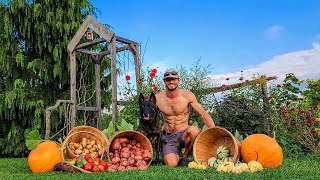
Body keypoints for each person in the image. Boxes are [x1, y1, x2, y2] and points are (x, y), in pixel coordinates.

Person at [155, 68, 215, 167]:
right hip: (169, 136)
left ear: (178, 80)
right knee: (171, 164)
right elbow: (148, 116)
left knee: (194, 130)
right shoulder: (158, 98)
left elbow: (203, 114)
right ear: (164, 81)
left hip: (184, 134)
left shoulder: (187, 96)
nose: (171, 82)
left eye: (173, 79)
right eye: (168, 80)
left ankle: (185, 156)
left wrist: (214, 131)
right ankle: (173, 154)